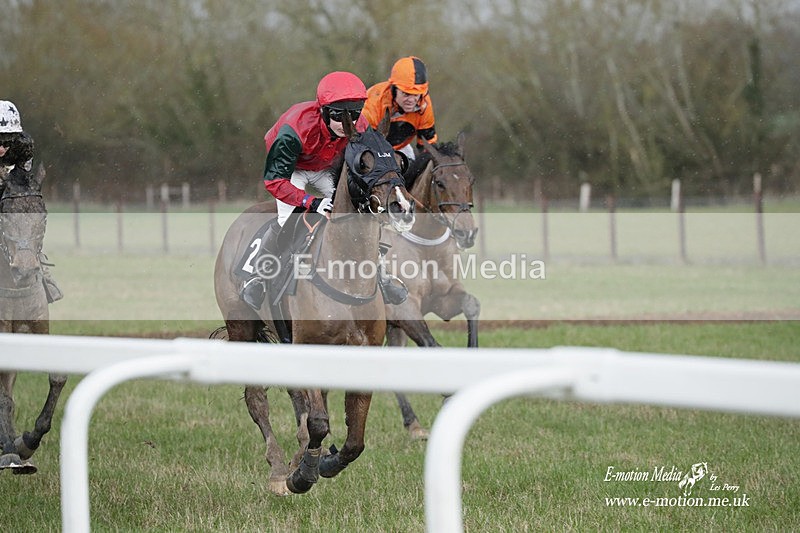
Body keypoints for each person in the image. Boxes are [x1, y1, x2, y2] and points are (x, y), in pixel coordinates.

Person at [241, 72, 406, 310]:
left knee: (360, 213)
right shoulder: (294, 129)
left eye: (354, 114)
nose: (347, 123)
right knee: (287, 218)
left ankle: (381, 272)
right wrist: (312, 202)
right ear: (324, 111)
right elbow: (275, 182)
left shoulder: (360, 126)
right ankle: (258, 276)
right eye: (339, 116)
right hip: (293, 168)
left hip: (327, 167)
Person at [0, 100, 63, 302]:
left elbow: (23, 185)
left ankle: (43, 272)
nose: (2, 148)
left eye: (7, 142)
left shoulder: (24, 150)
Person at [362, 56, 438, 182]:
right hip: (369, 145)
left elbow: (428, 145)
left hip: (402, 147)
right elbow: (365, 143)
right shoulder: (375, 101)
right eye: (406, 94)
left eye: (416, 95)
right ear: (394, 89)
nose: (412, 100)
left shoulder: (425, 104)